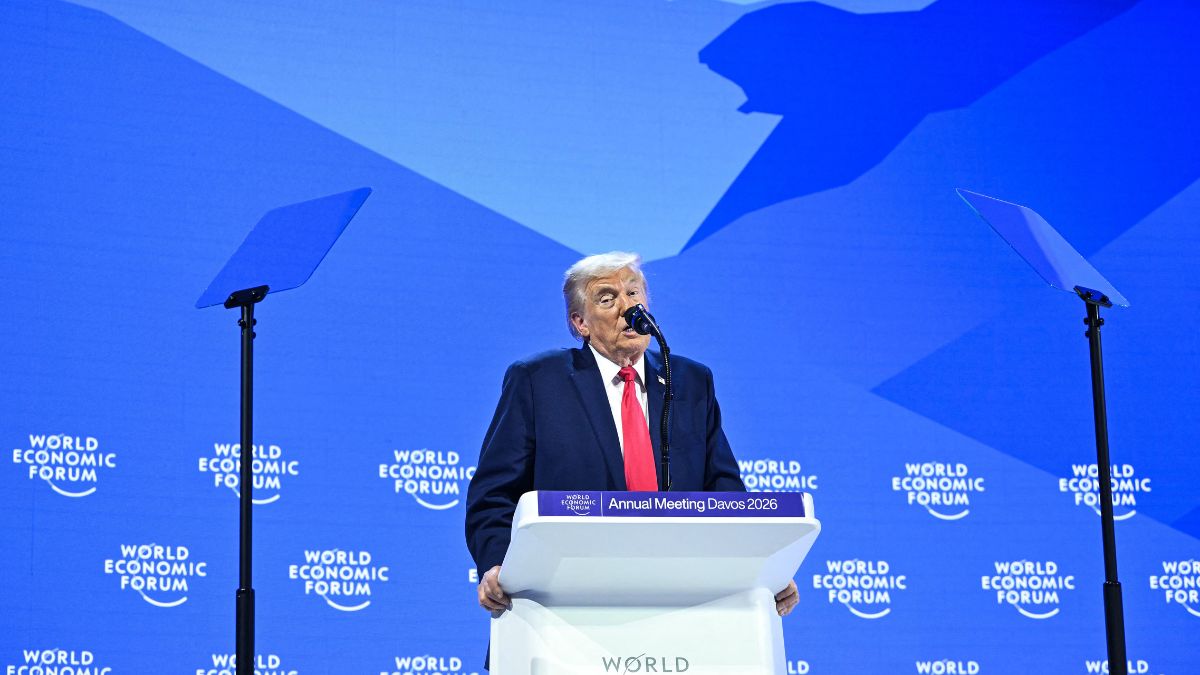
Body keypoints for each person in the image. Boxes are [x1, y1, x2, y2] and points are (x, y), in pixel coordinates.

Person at [464, 251, 799, 618]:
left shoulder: (690, 381)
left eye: (634, 294)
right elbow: (494, 494)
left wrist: (762, 569)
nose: (628, 307)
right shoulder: (537, 381)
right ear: (580, 323)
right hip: (567, 603)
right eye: (607, 298)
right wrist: (497, 565)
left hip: (680, 604)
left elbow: (724, 491)